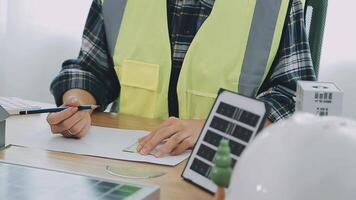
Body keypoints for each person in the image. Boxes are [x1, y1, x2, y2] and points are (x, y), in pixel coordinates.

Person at [47, 0, 315, 157]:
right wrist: (75, 104)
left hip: (226, 173)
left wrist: (215, 127)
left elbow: (293, 97)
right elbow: (91, 69)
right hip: (132, 166)